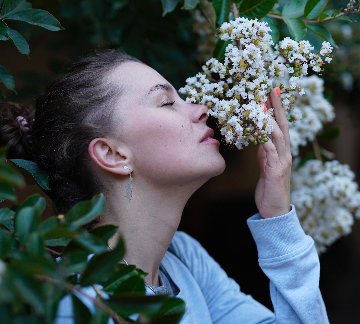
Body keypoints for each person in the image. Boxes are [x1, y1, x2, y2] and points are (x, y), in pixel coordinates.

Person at [0, 49, 329, 323]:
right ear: (112, 154)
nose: (203, 110)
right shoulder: (75, 306)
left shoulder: (184, 261)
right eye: (167, 102)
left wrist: (278, 217)